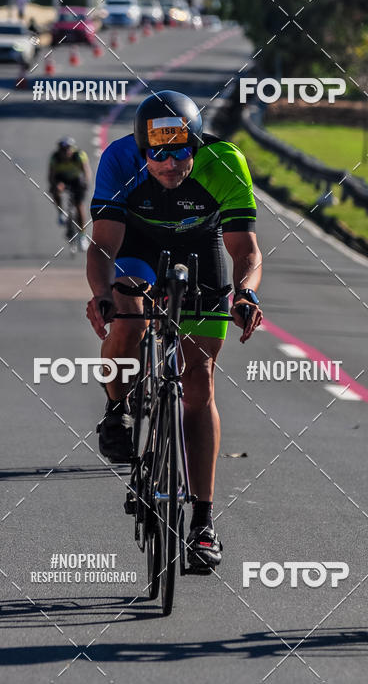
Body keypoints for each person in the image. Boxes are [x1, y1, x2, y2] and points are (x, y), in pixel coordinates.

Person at [85, 90, 263, 570]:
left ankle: (203, 522)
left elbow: (245, 248)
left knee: (199, 382)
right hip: (137, 245)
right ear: (141, 149)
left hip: (200, 248)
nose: (167, 162)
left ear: (197, 144)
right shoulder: (120, 160)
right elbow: (103, 246)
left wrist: (245, 292)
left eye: (180, 149)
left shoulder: (224, 162)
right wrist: (103, 296)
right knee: (127, 311)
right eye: (156, 152)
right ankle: (117, 408)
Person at [48, 137, 91, 251]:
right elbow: (51, 176)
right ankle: (61, 212)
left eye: (68, 149)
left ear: (72, 149)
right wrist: (54, 187)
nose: (65, 152)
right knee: (56, 189)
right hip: (62, 179)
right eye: (63, 149)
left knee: (79, 205)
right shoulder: (55, 158)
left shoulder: (79, 156)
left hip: (77, 180)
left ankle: (82, 236)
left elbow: (86, 172)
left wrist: (86, 183)